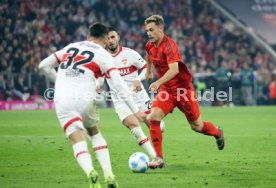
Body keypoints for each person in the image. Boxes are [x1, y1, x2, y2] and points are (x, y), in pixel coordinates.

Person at [39, 23, 145, 188]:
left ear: (88, 37)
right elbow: (119, 85)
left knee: (76, 138)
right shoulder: (103, 54)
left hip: (63, 99)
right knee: (95, 134)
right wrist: (135, 110)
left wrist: (60, 81)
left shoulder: (70, 47)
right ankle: (109, 174)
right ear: (104, 39)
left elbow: (43, 66)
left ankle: (90, 172)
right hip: (85, 98)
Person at [144, 15, 225, 169]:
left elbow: (174, 70)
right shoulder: (149, 45)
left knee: (197, 126)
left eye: (152, 30)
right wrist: (148, 71)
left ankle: (217, 133)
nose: (149, 33)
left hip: (182, 91)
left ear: (160, 29)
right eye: (147, 30)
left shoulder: (169, 45)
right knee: (153, 117)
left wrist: (157, 82)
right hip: (167, 91)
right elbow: (149, 55)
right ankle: (159, 158)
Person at [96, 27, 164, 160]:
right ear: (104, 40)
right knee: (133, 125)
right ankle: (156, 157)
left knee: (155, 125)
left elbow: (146, 68)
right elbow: (99, 75)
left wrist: (138, 79)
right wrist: (97, 84)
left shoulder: (130, 54)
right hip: (120, 99)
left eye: (113, 37)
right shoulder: (102, 57)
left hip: (138, 96)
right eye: (108, 38)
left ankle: (158, 129)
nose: (110, 41)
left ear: (118, 37)